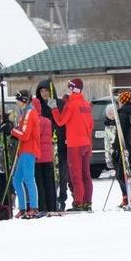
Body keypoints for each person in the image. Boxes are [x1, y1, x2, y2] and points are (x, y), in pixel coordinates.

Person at [52, 78, 94, 210]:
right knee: (86, 175)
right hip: (86, 143)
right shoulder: (86, 104)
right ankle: (87, 203)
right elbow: (91, 125)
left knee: (76, 176)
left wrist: (54, 108)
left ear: (71, 89)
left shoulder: (70, 104)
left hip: (74, 144)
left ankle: (78, 203)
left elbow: (60, 121)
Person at [36, 79, 68, 209]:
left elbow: (64, 122)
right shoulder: (38, 107)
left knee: (62, 175)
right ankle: (51, 201)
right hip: (45, 147)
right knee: (49, 177)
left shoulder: (60, 104)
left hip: (60, 144)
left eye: (46, 90)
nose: (44, 93)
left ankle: (62, 200)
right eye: (41, 91)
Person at [109, 91, 131, 208]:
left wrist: (116, 147)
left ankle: (129, 196)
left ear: (122, 101)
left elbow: (121, 133)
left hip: (125, 148)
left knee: (121, 174)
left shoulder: (123, 114)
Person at [10, 89, 41, 217]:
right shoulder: (24, 113)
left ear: (23, 100)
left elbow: (25, 135)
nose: (16, 102)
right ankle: (23, 207)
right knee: (16, 180)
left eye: (18, 99)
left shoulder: (29, 112)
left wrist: (12, 130)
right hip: (23, 150)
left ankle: (34, 207)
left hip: (29, 149)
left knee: (29, 179)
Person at [33, 98, 56, 213]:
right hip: (48, 157)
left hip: (37, 157)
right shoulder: (47, 121)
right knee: (49, 183)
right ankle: (52, 206)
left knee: (39, 184)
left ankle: (43, 206)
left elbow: (34, 136)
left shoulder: (35, 121)